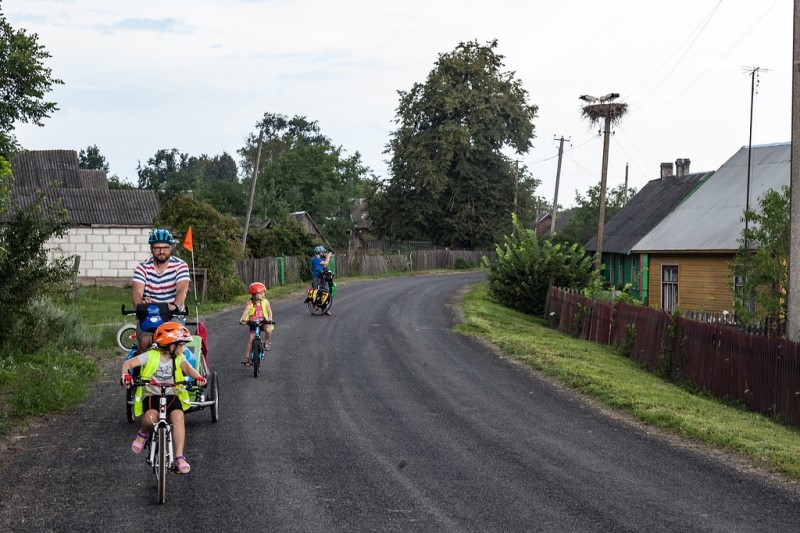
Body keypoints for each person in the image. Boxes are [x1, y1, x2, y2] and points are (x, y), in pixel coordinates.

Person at [121, 322, 206, 474]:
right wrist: (126, 375)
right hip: (152, 394)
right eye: (182, 345)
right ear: (171, 345)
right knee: (150, 417)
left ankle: (179, 456)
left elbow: (188, 369)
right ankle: (143, 434)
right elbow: (128, 363)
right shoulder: (150, 355)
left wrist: (199, 378)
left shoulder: (180, 358)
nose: (184, 348)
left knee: (178, 417)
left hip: (172, 394)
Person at [132, 228, 190, 352]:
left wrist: (175, 305)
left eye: (165, 247)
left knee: (174, 345)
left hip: (173, 315)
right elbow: (137, 292)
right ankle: (141, 370)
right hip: (149, 315)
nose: (162, 251)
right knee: (144, 342)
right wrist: (140, 306)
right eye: (157, 248)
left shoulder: (180, 265)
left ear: (171, 247)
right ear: (151, 248)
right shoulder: (142, 267)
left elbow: (182, 290)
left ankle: (178, 371)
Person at [239, 282, 274, 365]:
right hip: (253, 324)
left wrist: (270, 318)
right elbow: (245, 313)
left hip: (263, 322)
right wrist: (243, 320)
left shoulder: (265, 302)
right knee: (251, 339)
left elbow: (269, 311)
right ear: (256, 295)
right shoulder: (250, 304)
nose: (263, 294)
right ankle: (247, 358)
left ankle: (266, 343)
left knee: (269, 330)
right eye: (262, 292)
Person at [311, 245, 333, 315]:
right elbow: (326, 263)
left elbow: (324, 265)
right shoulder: (315, 259)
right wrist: (328, 256)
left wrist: (327, 257)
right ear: (319, 252)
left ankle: (325, 309)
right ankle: (314, 309)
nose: (323, 253)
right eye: (322, 252)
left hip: (322, 276)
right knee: (316, 292)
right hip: (316, 277)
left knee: (325, 292)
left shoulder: (319, 259)